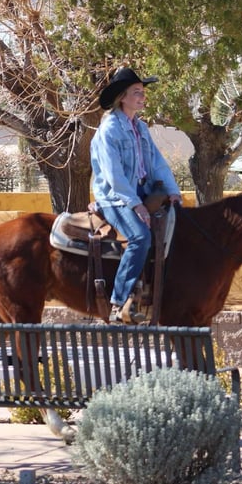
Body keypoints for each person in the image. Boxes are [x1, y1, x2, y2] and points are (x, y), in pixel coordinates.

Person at [90, 67, 182, 324]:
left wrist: (173, 192)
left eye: (143, 92)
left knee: (177, 225)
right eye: (137, 92)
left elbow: (157, 162)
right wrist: (136, 204)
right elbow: (113, 175)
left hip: (142, 191)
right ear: (123, 97)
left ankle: (155, 292)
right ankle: (119, 302)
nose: (143, 97)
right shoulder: (109, 130)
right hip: (116, 196)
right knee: (140, 237)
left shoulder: (140, 128)